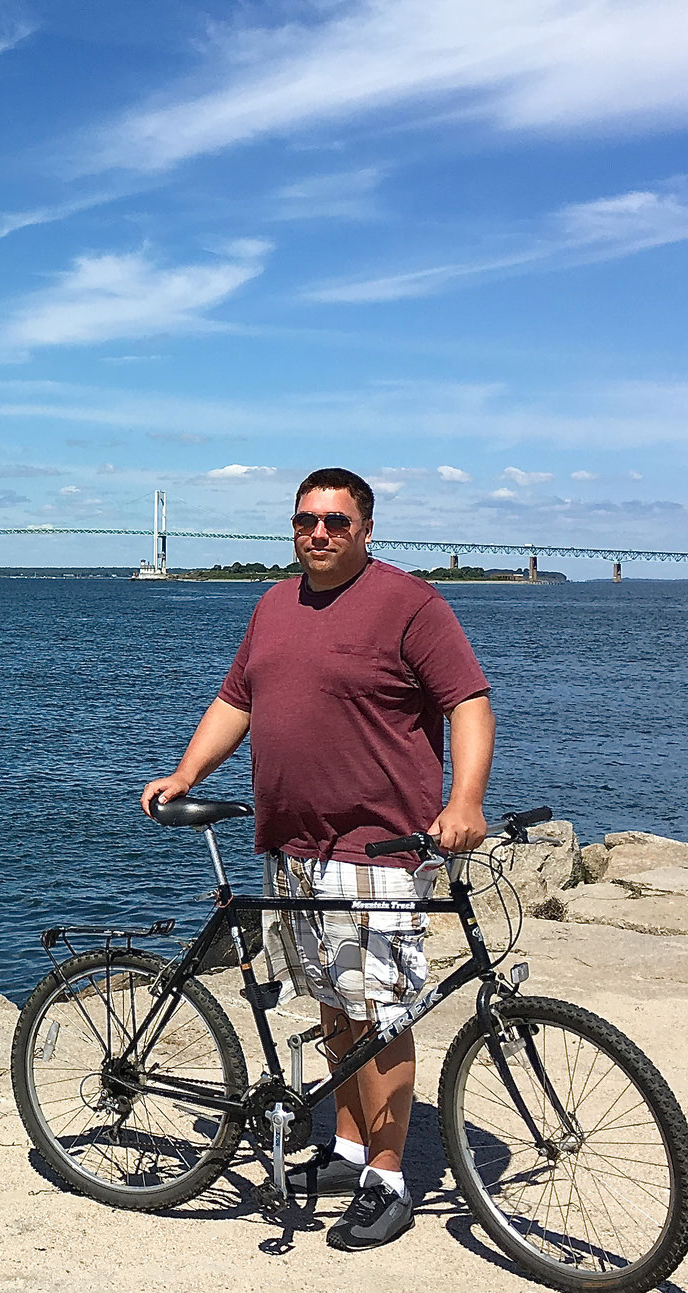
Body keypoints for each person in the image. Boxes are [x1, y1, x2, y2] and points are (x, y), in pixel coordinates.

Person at [139, 467, 493, 1251]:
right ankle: (348, 1148)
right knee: (334, 999)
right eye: (305, 520)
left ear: (366, 529)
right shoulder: (273, 604)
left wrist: (464, 801)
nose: (319, 533)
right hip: (291, 843)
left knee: (380, 1011)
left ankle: (389, 1177)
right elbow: (238, 699)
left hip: (377, 846)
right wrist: (187, 773)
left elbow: (469, 702)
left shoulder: (412, 605)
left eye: (335, 521)